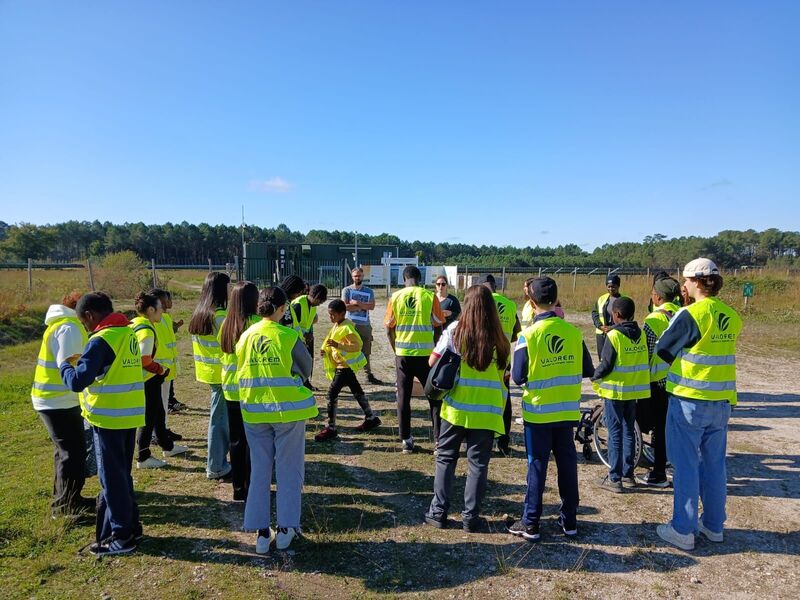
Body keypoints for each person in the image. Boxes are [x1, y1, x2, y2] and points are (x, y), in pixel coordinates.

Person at [655, 258, 741, 551]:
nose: (684, 286)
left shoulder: (691, 314)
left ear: (694, 282)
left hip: (689, 400)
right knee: (715, 464)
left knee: (686, 465)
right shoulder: (730, 315)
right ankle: (714, 525)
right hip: (721, 401)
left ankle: (683, 529)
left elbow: (663, 348)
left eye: (686, 281)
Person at [507, 277, 594, 541]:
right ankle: (570, 522)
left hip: (538, 413)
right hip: (567, 412)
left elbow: (518, 377)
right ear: (556, 301)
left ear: (531, 304)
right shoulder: (573, 333)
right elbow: (588, 370)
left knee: (537, 465)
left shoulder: (528, 336)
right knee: (568, 464)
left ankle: (531, 522)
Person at [60, 292, 145, 556]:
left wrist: (64, 366)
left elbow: (77, 381)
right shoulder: (127, 333)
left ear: (89, 316)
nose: (87, 328)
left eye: (84, 323)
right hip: (129, 415)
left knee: (112, 479)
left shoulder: (101, 340)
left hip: (108, 418)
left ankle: (121, 536)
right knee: (122, 475)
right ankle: (132, 525)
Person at [237, 287, 317, 553]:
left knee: (259, 470)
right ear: (283, 309)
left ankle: (260, 533)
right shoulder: (288, 336)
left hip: (254, 411)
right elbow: (306, 369)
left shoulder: (246, 336)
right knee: (288, 469)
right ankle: (286, 529)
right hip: (287, 411)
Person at [424, 285, 509, 532]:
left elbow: (432, 362)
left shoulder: (454, 331)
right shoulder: (500, 338)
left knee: (446, 459)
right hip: (487, 411)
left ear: (467, 305)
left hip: (456, 408)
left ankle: (438, 512)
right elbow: (505, 371)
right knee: (478, 465)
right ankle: (471, 518)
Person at [31, 291, 94, 518]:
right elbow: (69, 366)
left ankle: (68, 497)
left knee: (66, 451)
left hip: (56, 399)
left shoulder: (63, 324)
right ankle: (66, 507)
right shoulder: (69, 327)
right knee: (73, 453)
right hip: (57, 400)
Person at [385, 265, 446, 454]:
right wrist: (436, 347)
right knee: (434, 397)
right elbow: (438, 325)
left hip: (403, 354)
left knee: (403, 396)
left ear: (404, 279)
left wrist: (396, 349)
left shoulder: (395, 297)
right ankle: (438, 441)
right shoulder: (430, 296)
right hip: (426, 356)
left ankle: (406, 440)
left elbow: (389, 328)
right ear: (420, 279)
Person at [592, 296, 649, 492]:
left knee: (615, 433)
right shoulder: (640, 334)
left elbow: (606, 365)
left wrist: (594, 375)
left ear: (616, 315)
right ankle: (629, 474)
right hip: (633, 391)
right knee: (630, 431)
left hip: (615, 391)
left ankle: (614, 478)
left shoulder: (614, 336)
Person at [130, 292, 187, 469]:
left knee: (158, 413)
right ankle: (143, 456)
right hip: (148, 380)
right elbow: (144, 359)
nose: (162, 312)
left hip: (144, 380)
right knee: (148, 418)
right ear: (150, 310)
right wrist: (160, 369)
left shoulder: (134, 323)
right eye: (160, 309)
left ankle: (167, 446)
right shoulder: (147, 330)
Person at [637, 277, 681, 487]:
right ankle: (673, 464)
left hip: (658, 381)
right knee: (674, 427)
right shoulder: (683, 314)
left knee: (659, 427)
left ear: (657, 297)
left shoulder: (653, 320)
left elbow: (646, 352)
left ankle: (658, 473)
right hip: (680, 380)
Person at [315, 299, 381, 441]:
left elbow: (356, 346)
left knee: (331, 395)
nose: (330, 317)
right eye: (329, 314)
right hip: (343, 366)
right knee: (357, 391)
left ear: (342, 314)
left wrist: (338, 345)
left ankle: (331, 427)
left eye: (333, 315)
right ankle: (371, 417)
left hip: (343, 367)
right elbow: (331, 342)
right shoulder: (338, 325)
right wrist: (326, 351)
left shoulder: (347, 328)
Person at [218, 281, 261, 501]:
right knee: (253, 441)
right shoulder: (256, 325)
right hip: (251, 390)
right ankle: (252, 485)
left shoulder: (226, 325)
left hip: (230, 390)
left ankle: (238, 489)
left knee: (236, 440)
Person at [189, 272, 231, 480]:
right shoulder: (220, 316)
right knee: (220, 422)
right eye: (229, 286)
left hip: (209, 373)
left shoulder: (201, 312)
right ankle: (216, 466)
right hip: (223, 375)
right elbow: (232, 345)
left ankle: (218, 462)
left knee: (219, 419)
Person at [483, 274, 521, 456]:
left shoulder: (481, 302)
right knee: (504, 399)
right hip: (504, 359)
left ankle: (484, 439)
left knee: (483, 397)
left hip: (484, 358)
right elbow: (516, 333)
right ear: (495, 286)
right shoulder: (510, 304)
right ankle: (503, 442)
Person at [148, 289, 182, 439]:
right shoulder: (154, 321)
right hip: (157, 370)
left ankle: (164, 429)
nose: (168, 303)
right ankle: (157, 435)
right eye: (164, 300)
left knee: (164, 401)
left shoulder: (166, 318)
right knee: (159, 405)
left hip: (167, 369)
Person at [342, 267, 382, 385]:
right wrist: (363, 306)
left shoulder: (369, 291)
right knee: (348, 350)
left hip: (365, 325)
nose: (357, 278)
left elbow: (372, 307)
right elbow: (345, 307)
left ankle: (368, 375)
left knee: (366, 350)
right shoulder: (347, 290)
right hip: (350, 324)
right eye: (355, 276)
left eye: (359, 276)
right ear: (352, 277)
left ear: (363, 276)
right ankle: (346, 376)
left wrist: (357, 303)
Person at [290, 283, 328, 388]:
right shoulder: (298, 303)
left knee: (308, 361)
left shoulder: (312, 305)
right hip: (296, 340)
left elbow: (308, 322)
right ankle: (298, 384)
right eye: (319, 301)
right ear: (315, 296)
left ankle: (306, 383)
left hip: (306, 338)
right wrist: (302, 337)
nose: (319, 304)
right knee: (298, 363)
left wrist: (310, 334)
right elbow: (292, 324)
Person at [591, 274, 628, 359]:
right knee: (603, 358)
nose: (611, 289)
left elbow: (629, 318)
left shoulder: (625, 300)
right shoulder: (601, 299)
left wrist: (613, 328)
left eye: (613, 287)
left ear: (618, 286)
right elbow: (595, 313)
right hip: (602, 334)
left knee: (616, 358)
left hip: (618, 333)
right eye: (609, 286)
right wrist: (600, 326)